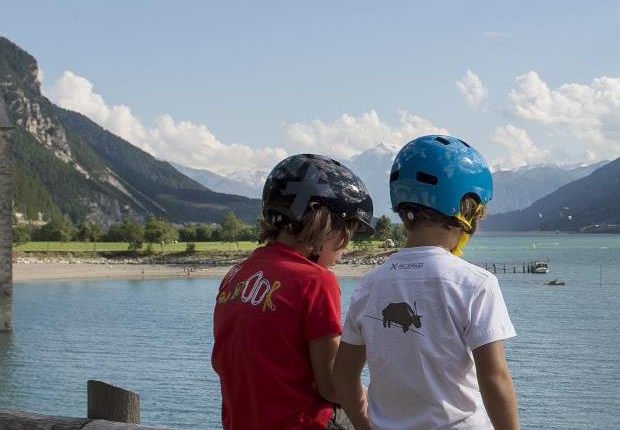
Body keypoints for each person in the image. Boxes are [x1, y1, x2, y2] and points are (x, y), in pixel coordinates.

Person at [334, 135, 520, 430]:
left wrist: (364, 423)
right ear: (465, 207)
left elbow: (343, 377)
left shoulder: (369, 285)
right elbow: (494, 379)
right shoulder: (476, 284)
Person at [213, 154, 375, 430]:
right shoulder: (315, 281)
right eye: (346, 234)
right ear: (323, 223)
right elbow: (332, 387)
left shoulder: (236, 275)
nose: (345, 249)